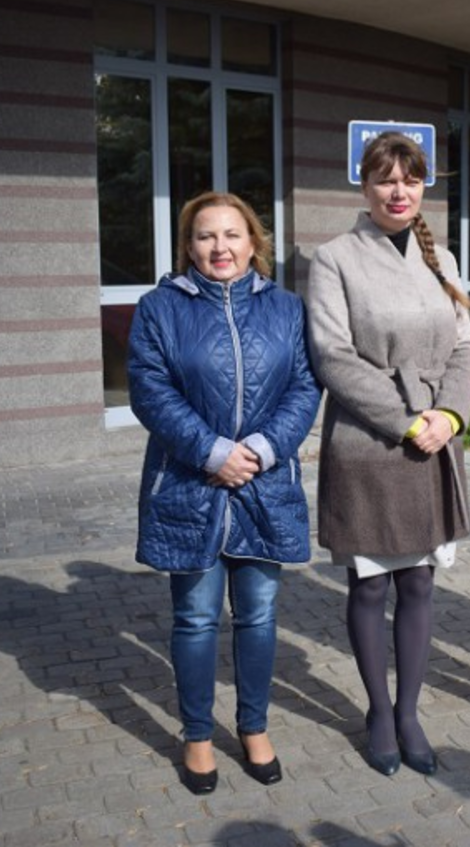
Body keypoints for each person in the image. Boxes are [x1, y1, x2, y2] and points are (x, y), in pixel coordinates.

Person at [127, 192, 321, 794]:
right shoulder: (159, 308)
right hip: (191, 484)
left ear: (253, 242)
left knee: (258, 614)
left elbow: (305, 386)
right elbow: (150, 389)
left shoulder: (286, 308)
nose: (220, 247)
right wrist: (212, 452)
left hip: (265, 483)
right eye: (206, 236)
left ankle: (254, 727)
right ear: (188, 246)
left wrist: (259, 451)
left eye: (232, 235)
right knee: (195, 618)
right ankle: (197, 736)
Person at [306, 132, 470, 777]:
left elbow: (464, 348)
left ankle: (409, 712)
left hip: (435, 437)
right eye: (386, 179)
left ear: (423, 185)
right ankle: (378, 711)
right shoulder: (334, 259)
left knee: (420, 581)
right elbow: (332, 355)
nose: (398, 191)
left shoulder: (443, 258)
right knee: (370, 581)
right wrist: (407, 422)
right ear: (365, 185)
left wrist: (450, 416)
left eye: (410, 179)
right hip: (371, 439)